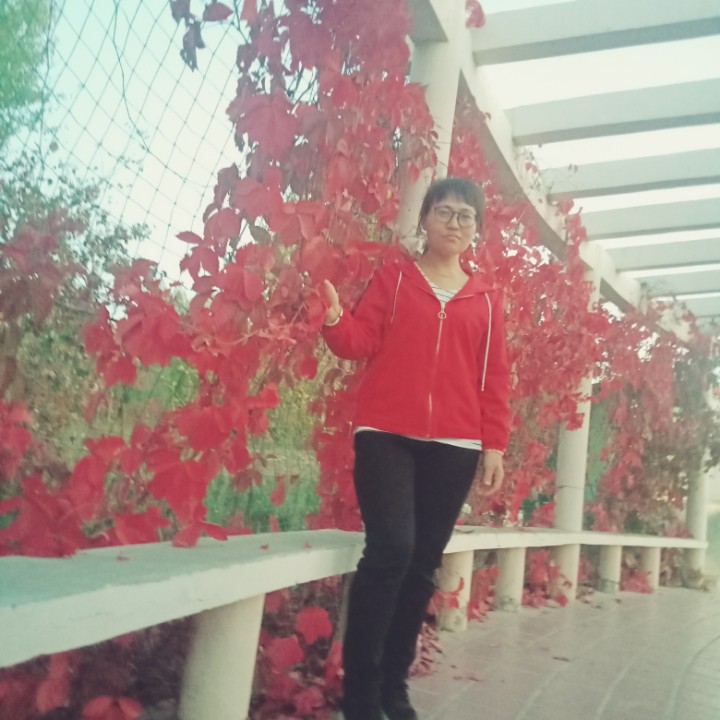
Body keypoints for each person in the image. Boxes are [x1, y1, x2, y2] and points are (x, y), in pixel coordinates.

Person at [321, 176, 510, 720]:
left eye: (465, 216)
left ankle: (393, 686)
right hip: (386, 433)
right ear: (425, 219)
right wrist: (334, 320)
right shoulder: (395, 278)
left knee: (423, 563)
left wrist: (494, 445)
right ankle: (360, 691)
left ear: (476, 229)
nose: (454, 223)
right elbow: (360, 341)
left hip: (455, 444)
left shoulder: (487, 299)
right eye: (444, 212)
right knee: (391, 549)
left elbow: (494, 377)